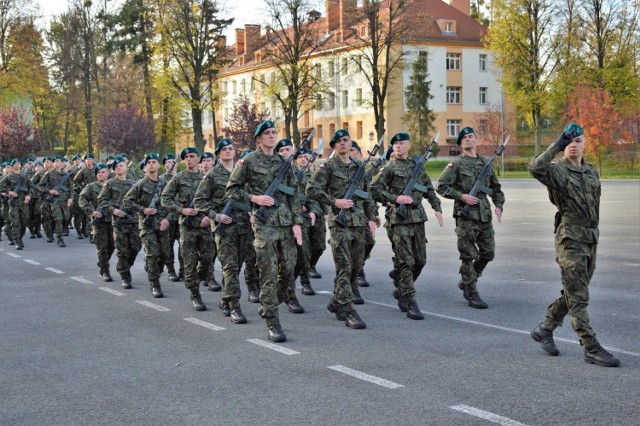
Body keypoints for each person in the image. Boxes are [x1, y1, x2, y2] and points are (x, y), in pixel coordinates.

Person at [528, 123, 620, 367]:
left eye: (577, 140)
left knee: (575, 290)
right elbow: (535, 167)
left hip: (591, 237)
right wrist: (556, 145)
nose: (573, 144)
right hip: (570, 238)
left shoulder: (591, 171)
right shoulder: (557, 171)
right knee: (579, 296)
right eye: (568, 141)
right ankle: (590, 346)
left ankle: (545, 328)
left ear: (585, 144)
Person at [226, 120, 303, 342]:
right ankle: (273, 321)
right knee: (268, 274)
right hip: (265, 224)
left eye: (273, 132)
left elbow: (293, 194)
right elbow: (232, 189)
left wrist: (297, 222)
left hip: (286, 224)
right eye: (267, 133)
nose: (271, 136)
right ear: (258, 139)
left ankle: (269, 305)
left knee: (288, 271)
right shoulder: (248, 162)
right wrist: (254, 198)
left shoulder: (284, 162)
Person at [307, 129, 376, 329]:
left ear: (350, 143)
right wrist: (334, 201)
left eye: (346, 140)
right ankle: (348, 309)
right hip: (340, 224)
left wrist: (372, 216)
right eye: (338, 141)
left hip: (359, 222)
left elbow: (367, 194)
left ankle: (336, 301)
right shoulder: (327, 167)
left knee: (356, 267)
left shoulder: (359, 168)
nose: (343, 144)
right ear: (335, 146)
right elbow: (311, 189)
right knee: (344, 267)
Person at [371, 132, 444, 320]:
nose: (397, 146)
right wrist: (395, 198)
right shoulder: (389, 168)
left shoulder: (417, 167)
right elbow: (374, 189)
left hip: (418, 219)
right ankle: (410, 301)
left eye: (401, 143)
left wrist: (437, 208)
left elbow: (429, 189)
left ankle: (403, 288)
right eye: (395, 144)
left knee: (420, 261)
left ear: (409, 146)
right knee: (406, 262)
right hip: (399, 220)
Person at [436, 126, 504, 309]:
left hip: (484, 216)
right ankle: (471, 291)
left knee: (488, 253)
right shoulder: (456, 164)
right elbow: (441, 186)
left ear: (475, 140)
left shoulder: (485, 163)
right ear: (460, 143)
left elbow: (496, 188)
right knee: (468, 255)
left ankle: (468, 279)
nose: (468, 139)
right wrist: (462, 196)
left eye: (470, 136)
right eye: (464, 137)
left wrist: (499, 204)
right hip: (465, 216)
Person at [194, 138, 252, 323]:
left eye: (230, 148)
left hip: (244, 226)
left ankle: (225, 298)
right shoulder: (211, 175)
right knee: (230, 267)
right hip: (224, 228)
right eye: (224, 149)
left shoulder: (243, 172)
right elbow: (200, 201)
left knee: (238, 266)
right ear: (218, 154)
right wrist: (216, 216)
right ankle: (235, 307)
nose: (228, 151)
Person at [161, 147, 212, 311]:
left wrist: (209, 216)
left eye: (192, 156)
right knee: (189, 261)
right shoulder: (178, 178)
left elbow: (217, 199)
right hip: (187, 226)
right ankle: (195, 293)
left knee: (208, 258)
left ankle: (196, 279)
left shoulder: (207, 178)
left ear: (199, 159)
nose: (189, 159)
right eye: (186, 157)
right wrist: (181, 210)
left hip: (204, 224)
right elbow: (165, 198)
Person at [123, 153, 170, 298]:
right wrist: (143, 209)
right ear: (146, 165)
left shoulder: (166, 183)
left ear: (158, 165)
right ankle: (154, 284)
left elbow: (174, 202)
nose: (151, 164)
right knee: (153, 254)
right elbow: (127, 201)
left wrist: (168, 218)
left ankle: (153, 268)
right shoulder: (141, 184)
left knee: (164, 254)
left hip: (162, 225)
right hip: (147, 225)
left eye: (154, 162)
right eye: (148, 162)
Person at [98, 157, 141, 288]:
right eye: (116, 166)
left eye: (121, 165)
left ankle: (124, 266)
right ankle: (125, 276)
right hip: (119, 222)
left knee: (136, 247)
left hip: (133, 221)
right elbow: (102, 200)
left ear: (126, 167)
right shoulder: (110, 183)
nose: (119, 167)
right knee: (122, 251)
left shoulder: (134, 183)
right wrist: (113, 210)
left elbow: (141, 200)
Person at [274, 138, 306, 312]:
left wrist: (311, 209)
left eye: (288, 150)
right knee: (284, 262)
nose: (286, 153)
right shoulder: (273, 171)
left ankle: (282, 292)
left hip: (298, 221)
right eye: (282, 151)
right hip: (276, 223)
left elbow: (308, 194)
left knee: (301, 259)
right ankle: (289, 296)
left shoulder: (300, 171)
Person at [79, 162, 115, 282]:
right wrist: (91, 211)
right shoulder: (91, 187)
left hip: (114, 220)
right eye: (98, 172)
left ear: (108, 173)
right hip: (99, 221)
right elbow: (82, 198)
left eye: (103, 172)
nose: (100, 174)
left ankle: (102, 261)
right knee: (102, 247)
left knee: (112, 246)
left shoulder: (114, 185)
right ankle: (105, 271)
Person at [38, 155, 74, 247]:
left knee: (66, 217)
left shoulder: (66, 175)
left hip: (65, 200)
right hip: (54, 201)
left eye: (58, 161)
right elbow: (40, 186)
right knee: (58, 219)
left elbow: (70, 188)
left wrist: (71, 198)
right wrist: (50, 191)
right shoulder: (49, 174)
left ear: (62, 163)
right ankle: (60, 238)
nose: (56, 162)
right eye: (55, 161)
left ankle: (57, 231)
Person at [0, 159, 32, 250]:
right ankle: (17, 241)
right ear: (12, 166)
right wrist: (9, 192)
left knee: (23, 223)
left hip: (24, 203)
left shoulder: (25, 176)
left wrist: (29, 195)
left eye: (19, 163)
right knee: (15, 223)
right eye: (15, 163)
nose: (17, 165)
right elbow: (1, 187)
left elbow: (31, 187)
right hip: (14, 204)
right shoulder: (9, 177)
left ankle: (19, 238)